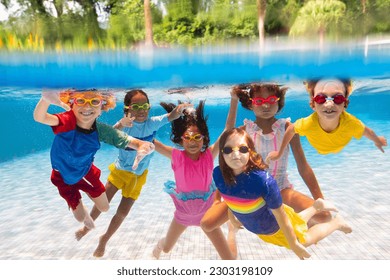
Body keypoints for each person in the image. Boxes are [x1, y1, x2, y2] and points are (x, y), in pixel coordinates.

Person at [74, 89, 193, 257]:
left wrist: (178, 110)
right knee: (102, 203)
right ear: (127, 109)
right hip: (121, 171)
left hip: (138, 175)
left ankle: (104, 240)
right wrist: (122, 123)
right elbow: (111, 133)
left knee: (122, 213)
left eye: (144, 106)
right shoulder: (126, 124)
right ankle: (86, 227)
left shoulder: (152, 123)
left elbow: (170, 117)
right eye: (136, 106)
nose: (141, 110)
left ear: (149, 107)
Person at [201, 83, 329, 236]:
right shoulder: (244, 131)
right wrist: (217, 199)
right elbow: (226, 162)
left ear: (279, 101)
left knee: (324, 216)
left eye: (271, 100)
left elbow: (303, 167)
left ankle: (284, 218)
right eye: (259, 101)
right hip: (247, 190)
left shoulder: (288, 129)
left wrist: (320, 198)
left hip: (280, 189)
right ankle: (240, 213)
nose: (266, 106)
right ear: (250, 104)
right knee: (207, 224)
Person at [213, 128, 352, 259]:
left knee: (303, 240)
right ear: (222, 152)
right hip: (262, 225)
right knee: (296, 222)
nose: (235, 154)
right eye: (228, 149)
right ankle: (316, 207)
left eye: (242, 149)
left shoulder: (263, 181)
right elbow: (230, 197)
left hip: (276, 225)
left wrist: (294, 244)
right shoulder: (218, 174)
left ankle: (337, 223)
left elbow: (282, 217)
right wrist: (232, 217)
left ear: (251, 153)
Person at [33, 89, 154, 231]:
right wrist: (46, 99)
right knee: (79, 218)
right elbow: (40, 117)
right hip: (63, 177)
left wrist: (142, 145)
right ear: (73, 104)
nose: (87, 107)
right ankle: (78, 200)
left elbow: (125, 139)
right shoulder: (65, 121)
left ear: (101, 108)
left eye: (94, 102)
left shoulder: (100, 130)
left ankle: (86, 192)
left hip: (86, 172)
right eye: (81, 101)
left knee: (104, 207)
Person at [152, 100, 237, 260]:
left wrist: (234, 99)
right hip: (183, 215)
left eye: (197, 137)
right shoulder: (176, 156)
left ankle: (232, 231)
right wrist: (137, 125)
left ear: (204, 139)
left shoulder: (209, 156)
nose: (192, 142)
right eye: (188, 137)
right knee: (167, 249)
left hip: (207, 214)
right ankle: (158, 246)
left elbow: (228, 130)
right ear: (181, 139)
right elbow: (150, 141)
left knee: (229, 259)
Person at [266, 78, 387, 162]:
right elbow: (291, 129)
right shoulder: (308, 124)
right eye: (320, 98)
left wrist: (377, 140)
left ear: (345, 104)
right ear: (313, 104)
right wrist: (279, 153)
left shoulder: (351, 123)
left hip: (340, 146)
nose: (329, 104)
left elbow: (367, 131)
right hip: (319, 148)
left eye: (338, 98)